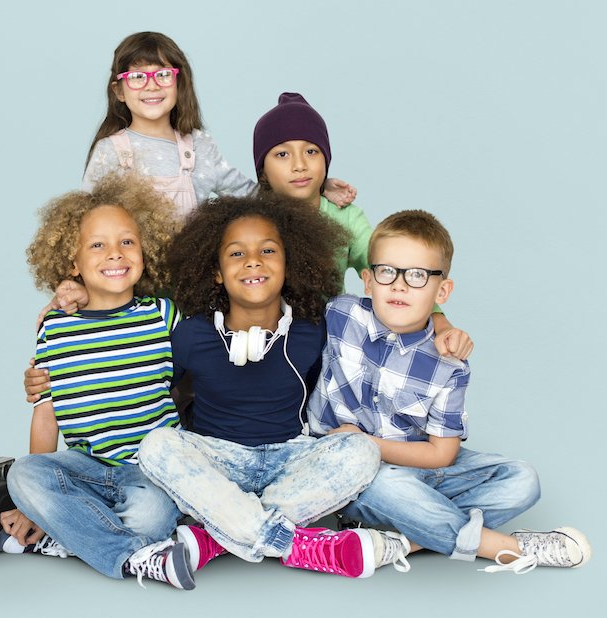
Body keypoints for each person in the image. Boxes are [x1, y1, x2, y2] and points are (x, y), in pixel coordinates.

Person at [136, 193, 413, 579]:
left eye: (268, 250)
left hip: (291, 458)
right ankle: (293, 544)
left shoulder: (312, 330)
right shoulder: (190, 334)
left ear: (288, 264)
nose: (253, 261)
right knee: (156, 445)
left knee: (362, 450)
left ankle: (219, 536)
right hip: (218, 458)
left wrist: (440, 321)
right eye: (236, 253)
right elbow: (158, 388)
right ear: (216, 272)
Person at [307, 209, 592, 573]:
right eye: (387, 271)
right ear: (367, 280)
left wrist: (366, 442)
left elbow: (442, 454)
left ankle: (401, 542)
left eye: (417, 276)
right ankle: (508, 548)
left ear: (442, 291)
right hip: (353, 478)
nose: (399, 285)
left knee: (523, 480)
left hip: (413, 468)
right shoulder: (340, 315)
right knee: (387, 486)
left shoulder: (449, 365)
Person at [0, 174, 197, 590]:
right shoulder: (55, 328)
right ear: (73, 265)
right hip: (85, 468)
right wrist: (32, 504)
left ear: (145, 251)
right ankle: (134, 555)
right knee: (23, 475)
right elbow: (46, 414)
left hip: (150, 471)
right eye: (97, 245)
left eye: (127, 242)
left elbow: (199, 380)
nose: (114, 254)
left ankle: (72, 535)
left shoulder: (163, 315)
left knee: (151, 516)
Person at [252, 91, 473, 361]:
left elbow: (391, 268)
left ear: (325, 160)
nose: (299, 165)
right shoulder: (249, 221)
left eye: (311, 151)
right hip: (258, 344)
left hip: (325, 348)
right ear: (263, 170)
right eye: (282, 154)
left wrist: (440, 321)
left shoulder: (346, 218)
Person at [82, 32, 356, 217]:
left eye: (163, 74)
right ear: (119, 91)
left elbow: (253, 196)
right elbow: (85, 221)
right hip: (131, 282)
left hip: (190, 278)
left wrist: (316, 188)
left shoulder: (198, 146)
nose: (151, 86)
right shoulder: (111, 151)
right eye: (137, 77)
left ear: (179, 83)